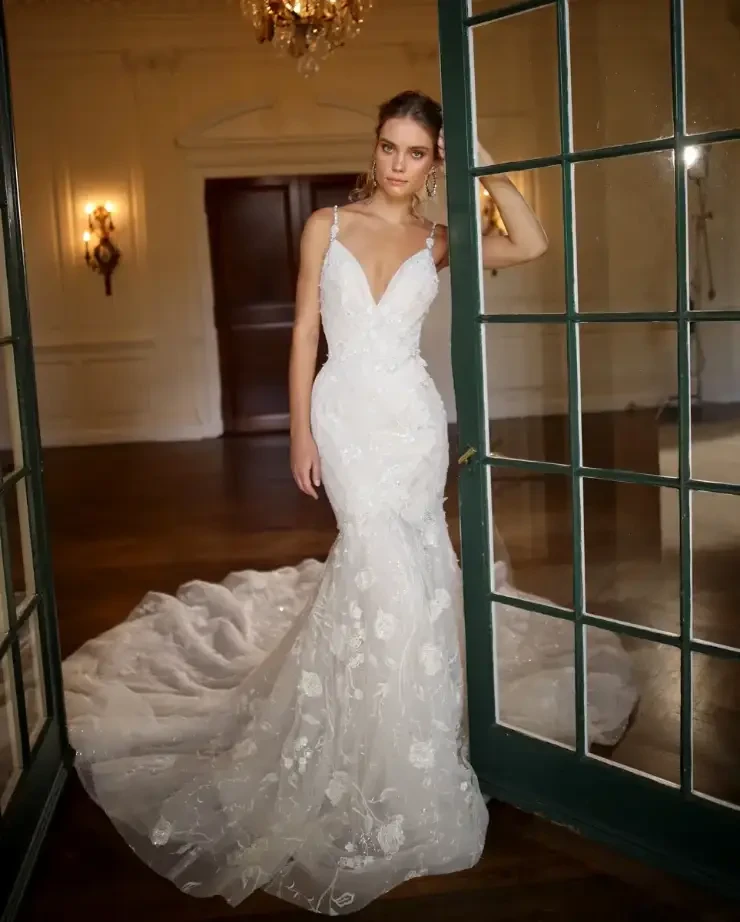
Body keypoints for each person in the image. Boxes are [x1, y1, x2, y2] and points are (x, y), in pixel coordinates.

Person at [62, 90, 637, 916]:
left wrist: (487, 159)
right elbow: (303, 331)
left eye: (415, 152)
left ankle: (413, 744)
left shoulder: (438, 241)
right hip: (345, 417)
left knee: (420, 570)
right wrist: (300, 432)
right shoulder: (323, 226)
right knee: (377, 563)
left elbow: (534, 242)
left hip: (411, 421)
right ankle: (371, 742)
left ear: (435, 162)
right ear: (374, 147)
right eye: (388, 147)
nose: (397, 165)